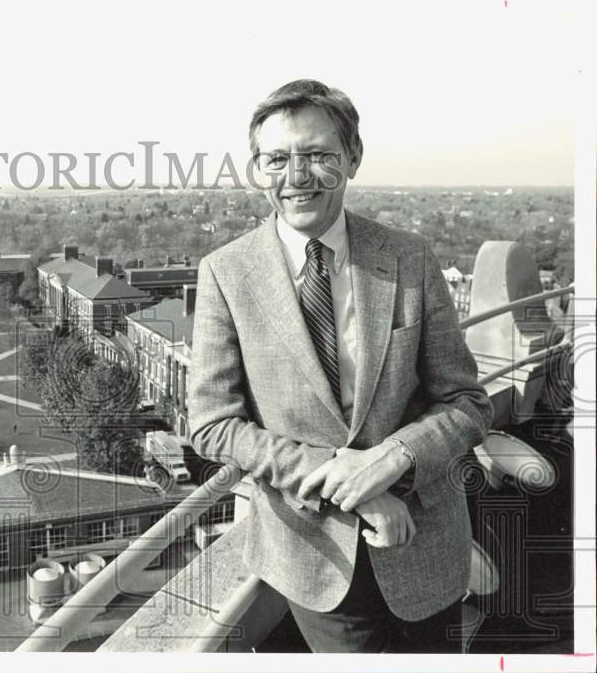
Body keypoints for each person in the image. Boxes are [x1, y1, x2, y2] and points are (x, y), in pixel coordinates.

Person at [188, 79, 493, 653]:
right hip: (313, 555)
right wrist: (349, 482)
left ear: (353, 157)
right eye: (276, 159)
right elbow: (211, 423)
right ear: (257, 169)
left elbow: (468, 403)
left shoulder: (410, 257)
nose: (296, 177)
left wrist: (393, 459)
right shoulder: (226, 274)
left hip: (426, 543)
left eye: (318, 155)